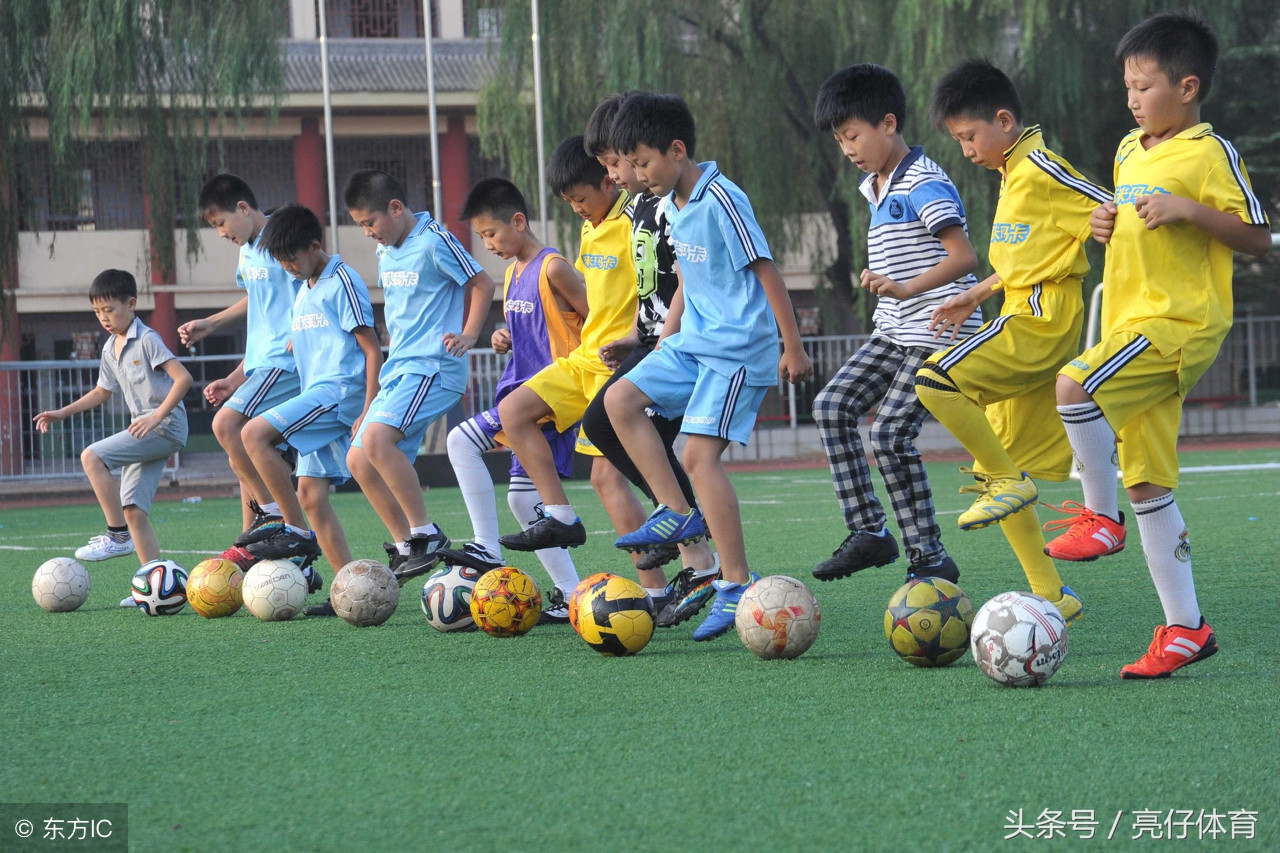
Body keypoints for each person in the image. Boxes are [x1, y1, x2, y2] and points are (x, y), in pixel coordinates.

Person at [1049, 11, 1270, 677]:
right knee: (1148, 482)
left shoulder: (1210, 152)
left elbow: (1256, 235)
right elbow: (1133, 229)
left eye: (1144, 86)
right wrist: (1104, 222)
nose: (1133, 98)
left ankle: (1099, 516)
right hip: (1128, 323)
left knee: (1072, 384)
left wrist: (1190, 210)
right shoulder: (1126, 149)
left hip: (1177, 324)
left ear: (1188, 87)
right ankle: (1186, 629)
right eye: (1127, 87)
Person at [604, 93, 814, 641]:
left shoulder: (723, 198)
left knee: (697, 456)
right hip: (693, 343)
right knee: (619, 400)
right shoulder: (673, 205)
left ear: (677, 150)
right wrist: (664, 342)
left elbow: (766, 271)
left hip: (737, 349)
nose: (638, 174)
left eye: (644, 162)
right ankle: (675, 511)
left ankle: (735, 583)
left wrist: (792, 347)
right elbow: (688, 285)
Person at [914, 59, 1112, 624]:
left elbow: (1107, 204)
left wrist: (1106, 218)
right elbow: (1032, 256)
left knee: (934, 378)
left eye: (970, 136)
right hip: (1021, 310)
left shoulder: (1041, 166)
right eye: (958, 140)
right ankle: (1051, 593)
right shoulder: (1011, 173)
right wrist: (977, 294)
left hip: (1039, 321)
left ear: (1004, 121)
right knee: (994, 464)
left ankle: (1007, 482)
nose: (966, 150)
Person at [808, 64, 981, 586]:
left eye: (853, 135)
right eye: (840, 141)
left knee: (888, 435)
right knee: (831, 406)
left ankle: (929, 556)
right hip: (894, 332)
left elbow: (965, 257)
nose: (848, 149)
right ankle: (869, 533)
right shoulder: (875, 186)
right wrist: (887, 284)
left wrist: (907, 287)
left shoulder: (923, 182)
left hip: (937, 334)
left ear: (887, 123)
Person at [581, 92, 720, 628]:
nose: (617, 174)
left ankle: (699, 552)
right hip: (650, 344)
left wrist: (668, 335)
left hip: (682, 345)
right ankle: (692, 545)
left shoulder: (671, 202)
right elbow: (650, 288)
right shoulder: (642, 204)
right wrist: (637, 338)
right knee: (613, 432)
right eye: (612, 165)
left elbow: (684, 279)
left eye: (621, 162)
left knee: (618, 426)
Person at [493, 136, 645, 615]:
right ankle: (559, 514)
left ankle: (659, 587)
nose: (578, 209)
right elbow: (588, 306)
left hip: (620, 364)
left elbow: (656, 293)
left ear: (608, 178)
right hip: (583, 361)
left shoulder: (635, 222)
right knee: (512, 411)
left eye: (582, 198)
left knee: (609, 480)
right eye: (570, 202)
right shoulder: (590, 230)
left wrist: (641, 339)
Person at [436, 177, 586, 622]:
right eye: (482, 237)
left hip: (549, 399)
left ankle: (486, 548)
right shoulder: (514, 272)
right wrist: (505, 337)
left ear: (518, 221)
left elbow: (594, 322)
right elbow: (533, 330)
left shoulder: (553, 267)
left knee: (461, 442)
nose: (488, 244)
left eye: (492, 234)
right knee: (522, 501)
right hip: (523, 395)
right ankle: (572, 597)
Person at [343, 169, 497, 588]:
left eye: (370, 223)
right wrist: (369, 402)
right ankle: (407, 544)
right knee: (357, 459)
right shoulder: (385, 251)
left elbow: (482, 282)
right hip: (400, 371)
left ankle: (425, 532)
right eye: (361, 226)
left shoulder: (434, 240)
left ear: (396, 208)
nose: (368, 234)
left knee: (377, 442)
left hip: (433, 367)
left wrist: (469, 334)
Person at [239, 203, 383, 612]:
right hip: (318, 394)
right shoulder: (304, 290)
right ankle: (350, 592)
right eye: (280, 261)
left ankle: (295, 532)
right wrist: (294, 342)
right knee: (311, 494)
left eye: (291, 259)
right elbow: (318, 334)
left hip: (339, 393)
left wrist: (368, 407)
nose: (288, 267)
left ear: (315, 246)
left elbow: (371, 349)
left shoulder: (343, 280)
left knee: (252, 433)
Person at [33, 269, 191, 607]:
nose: (104, 318)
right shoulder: (110, 347)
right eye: (97, 312)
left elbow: (184, 379)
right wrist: (60, 412)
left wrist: (156, 415)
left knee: (92, 456)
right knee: (133, 509)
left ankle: (117, 537)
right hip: (143, 428)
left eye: (110, 310)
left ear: (131, 304)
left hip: (164, 426)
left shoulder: (147, 339)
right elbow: (101, 393)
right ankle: (154, 586)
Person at [178, 175, 302, 548]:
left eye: (220, 223)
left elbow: (306, 288)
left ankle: (276, 515)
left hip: (287, 361)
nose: (220, 233)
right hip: (262, 364)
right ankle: (253, 544)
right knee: (240, 458)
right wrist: (233, 372)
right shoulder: (246, 251)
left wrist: (304, 330)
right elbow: (260, 305)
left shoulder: (282, 239)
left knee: (226, 425)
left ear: (243, 209)